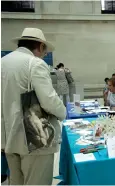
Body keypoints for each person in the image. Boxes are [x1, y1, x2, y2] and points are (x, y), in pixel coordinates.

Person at [1, 28, 66, 185]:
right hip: (34, 138)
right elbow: (49, 100)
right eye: (44, 51)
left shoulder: (2, 63)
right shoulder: (35, 63)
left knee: (16, 182)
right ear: (41, 46)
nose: (44, 54)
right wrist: (63, 112)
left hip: (7, 137)